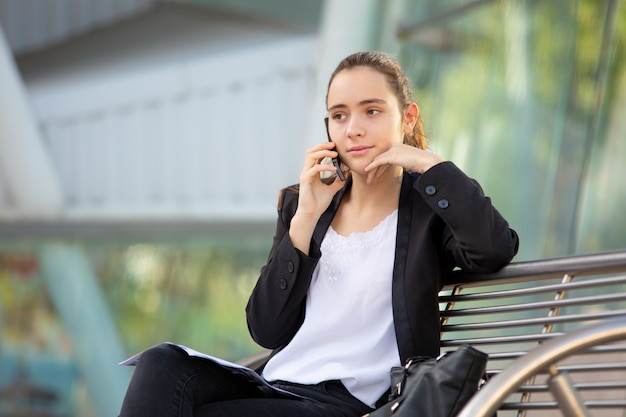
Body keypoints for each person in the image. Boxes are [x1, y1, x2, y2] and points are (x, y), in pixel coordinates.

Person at [118, 50, 519, 417]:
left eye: (372, 111)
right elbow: (266, 329)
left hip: (351, 404)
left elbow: (494, 248)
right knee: (161, 363)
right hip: (277, 388)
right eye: (340, 115)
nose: (354, 129)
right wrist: (306, 216)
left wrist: (428, 164)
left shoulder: (430, 207)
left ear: (408, 117)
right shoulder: (306, 205)